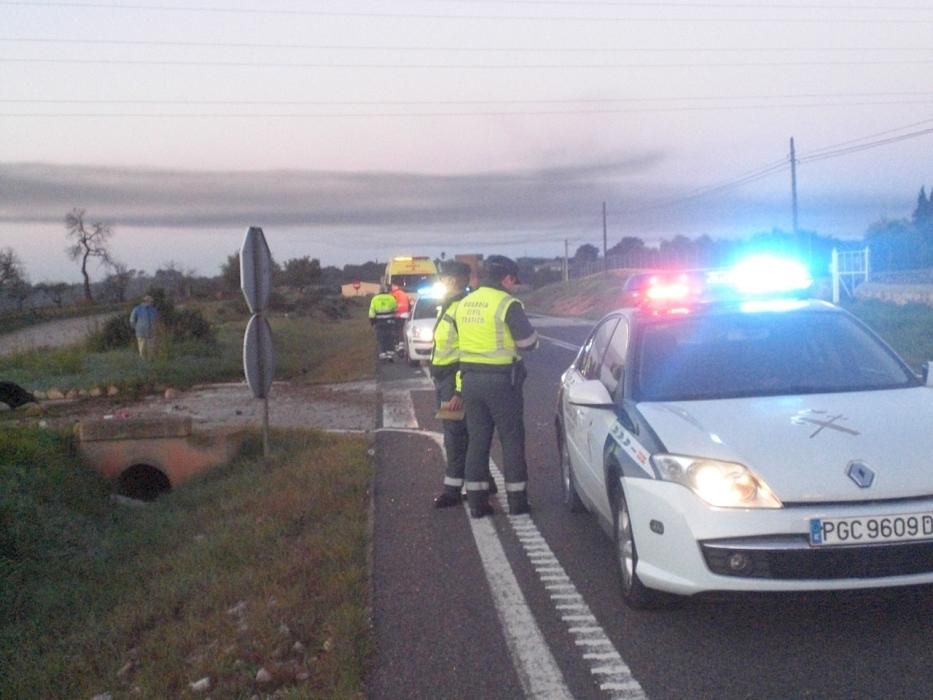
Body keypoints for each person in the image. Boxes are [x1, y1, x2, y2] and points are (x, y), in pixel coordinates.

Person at [454, 255, 538, 518]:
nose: (514, 286)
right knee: (511, 439)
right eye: (514, 281)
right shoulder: (507, 303)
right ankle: (517, 502)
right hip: (502, 381)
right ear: (506, 278)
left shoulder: (464, 303)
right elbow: (527, 343)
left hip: (469, 380)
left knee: (477, 441)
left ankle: (478, 504)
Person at [430, 261, 497, 508]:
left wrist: (459, 389)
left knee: (456, 435)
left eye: (445, 278)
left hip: (452, 382)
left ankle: (454, 490)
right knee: (462, 433)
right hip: (444, 380)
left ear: (456, 280)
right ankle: (483, 481)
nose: (442, 282)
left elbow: (465, 354)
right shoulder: (449, 305)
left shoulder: (460, 308)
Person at [368, 285, 398, 360]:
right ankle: (390, 353)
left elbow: (372, 312)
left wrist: (372, 321)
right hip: (389, 321)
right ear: (386, 290)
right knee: (389, 337)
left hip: (379, 322)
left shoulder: (375, 299)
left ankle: (382, 353)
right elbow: (395, 308)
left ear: (379, 291)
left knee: (380, 337)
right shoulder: (391, 297)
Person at [129, 294, 158, 360]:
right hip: (141, 332)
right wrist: (136, 328)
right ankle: (143, 362)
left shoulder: (153, 309)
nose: (152, 303)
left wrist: (156, 328)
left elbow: (157, 319)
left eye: (152, 302)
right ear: (146, 301)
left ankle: (151, 360)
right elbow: (132, 320)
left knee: (151, 348)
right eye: (151, 302)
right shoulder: (137, 309)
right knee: (142, 348)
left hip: (152, 332)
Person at [390, 283, 411, 354]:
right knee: (403, 330)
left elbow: (392, 305)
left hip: (397, 315)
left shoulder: (393, 294)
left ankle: (399, 346)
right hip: (405, 315)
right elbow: (409, 304)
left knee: (397, 330)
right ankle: (402, 345)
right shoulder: (404, 294)